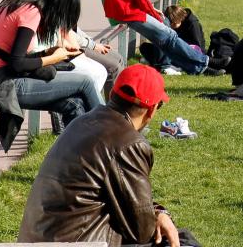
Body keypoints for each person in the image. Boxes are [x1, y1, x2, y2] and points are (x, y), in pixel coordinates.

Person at [17, 65, 194, 246]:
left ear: (112, 95)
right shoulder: (129, 143)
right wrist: (160, 215)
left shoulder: (82, 121)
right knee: (183, 242)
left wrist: (158, 213)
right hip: (78, 242)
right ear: (152, 109)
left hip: (40, 238)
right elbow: (142, 230)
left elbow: (127, 202)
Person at [0, 0, 102, 145]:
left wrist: (50, 52)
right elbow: (17, 63)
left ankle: (79, 153)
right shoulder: (31, 13)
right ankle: (109, 133)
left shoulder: (19, 5)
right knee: (85, 81)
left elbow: (14, 55)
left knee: (74, 104)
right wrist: (52, 58)